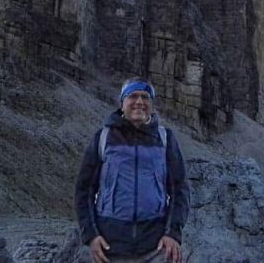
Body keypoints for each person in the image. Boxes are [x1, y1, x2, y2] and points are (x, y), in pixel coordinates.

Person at [74, 79, 190, 263]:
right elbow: (84, 190)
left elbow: (179, 189)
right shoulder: (103, 138)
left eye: (145, 97)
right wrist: (91, 235)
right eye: (133, 96)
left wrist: (173, 234)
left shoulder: (165, 138)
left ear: (152, 104)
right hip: (110, 247)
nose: (139, 102)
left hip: (156, 247)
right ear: (122, 103)